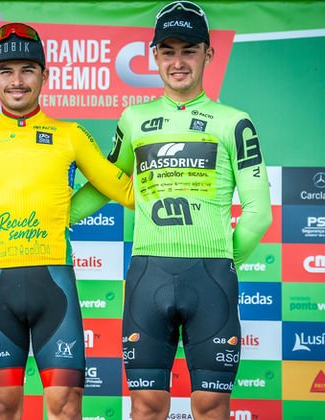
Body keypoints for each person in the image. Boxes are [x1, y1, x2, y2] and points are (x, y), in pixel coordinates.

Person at [70, 2, 272, 419]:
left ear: (208, 54)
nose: (178, 62)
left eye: (189, 50)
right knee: (146, 405)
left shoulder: (234, 121)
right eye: (168, 51)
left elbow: (258, 210)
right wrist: (54, 218)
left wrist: (222, 262)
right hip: (148, 275)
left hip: (211, 277)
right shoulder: (134, 118)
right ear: (155, 56)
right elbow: (109, 182)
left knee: (211, 405)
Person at [0, 23, 134, 420]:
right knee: (1, 407)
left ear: (44, 75)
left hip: (54, 285)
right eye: (6, 71)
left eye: (27, 70)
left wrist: (67, 211)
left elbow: (122, 189)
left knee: (66, 406)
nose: (17, 81)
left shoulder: (70, 134)